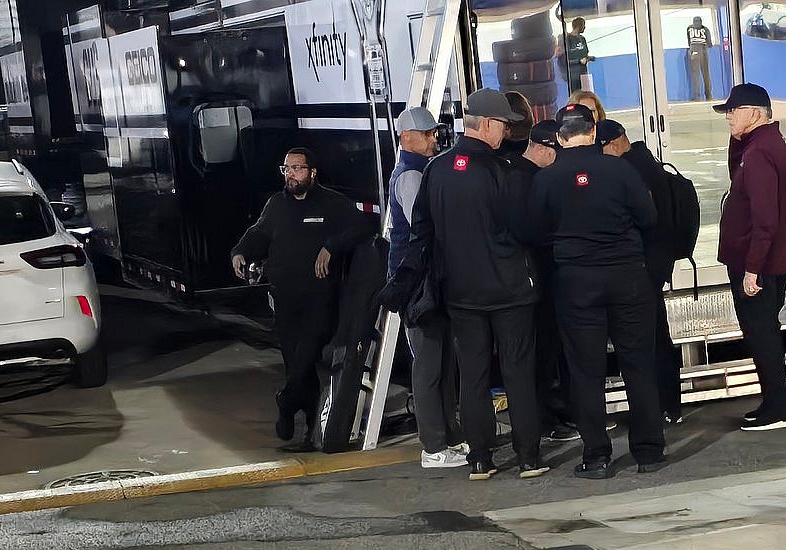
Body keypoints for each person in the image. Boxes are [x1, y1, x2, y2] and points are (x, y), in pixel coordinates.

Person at [388, 88, 551, 481]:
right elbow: (527, 230)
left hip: (461, 294)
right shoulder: (504, 171)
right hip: (510, 291)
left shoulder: (437, 171)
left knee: (473, 377)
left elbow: (421, 232)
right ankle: (528, 457)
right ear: (488, 124)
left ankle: (480, 459)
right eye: (504, 126)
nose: (506, 133)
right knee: (517, 372)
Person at [531, 104, 665, 477]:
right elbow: (649, 218)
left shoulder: (547, 179)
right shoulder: (621, 170)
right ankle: (648, 451)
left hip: (576, 283)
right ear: (593, 132)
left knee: (585, 371)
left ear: (560, 138)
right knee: (638, 363)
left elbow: (533, 230)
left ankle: (596, 456)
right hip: (627, 277)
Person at [231, 147, 373, 450]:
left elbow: (362, 227)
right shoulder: (277, 205)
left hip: (319, 300)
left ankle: (286, 400)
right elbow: (259, 233)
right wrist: (240, 252)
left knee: (306, 356)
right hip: (285, 300)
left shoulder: (332, 203)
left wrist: (332, 246)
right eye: (287, 169)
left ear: (312, 172)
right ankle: (310, 429)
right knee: (296, 364)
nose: (292, 175)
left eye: (297, 168)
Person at [714, 83, 786, 430]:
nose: (728, 118)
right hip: (763, 259)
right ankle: (773, 402)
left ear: (753, 113)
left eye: (733, 111)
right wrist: (738, 140)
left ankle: (780, 407)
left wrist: (752, 269)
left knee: (761, 334)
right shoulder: (763, 144)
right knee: (761, 332)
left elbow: (765, 218)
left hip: (758, 263)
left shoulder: (760, 151)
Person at [387, 107, 467, 470]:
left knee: (442, 363)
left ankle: (449, 437)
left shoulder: (419, 170)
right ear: (406, 138)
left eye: (434, 132)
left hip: (426, 282)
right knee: (429, 365)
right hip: (419, 286)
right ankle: (433, 446)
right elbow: (425, 226)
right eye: (427, 134)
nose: (434, 138)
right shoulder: (410, 176)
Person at [508, 118, 582, 444]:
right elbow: (529, 231)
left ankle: (554, 413)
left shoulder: (524, 175)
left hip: (539, 279)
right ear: (542, 148)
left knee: (548, 351)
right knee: (540, 353)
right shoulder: (524, 180)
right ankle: (545, 420)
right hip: (534, 280)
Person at [610, 120, 686, 423]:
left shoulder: (632, 170)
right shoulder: (647, 163)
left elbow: (645, 217)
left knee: (649, 341)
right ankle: (670, 405)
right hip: (655, 264)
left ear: (615, 143)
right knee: (658, 337)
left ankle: (661, 406)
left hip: (644, 267)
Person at [686, 16, 715, 101]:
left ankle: (696, 97)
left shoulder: (689, 28)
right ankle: (709, 96)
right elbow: (709, 43)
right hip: (703, 51)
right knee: (706, 74)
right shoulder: (705, 29)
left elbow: (689, 42)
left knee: (695, 75)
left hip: (693, 51)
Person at [563, 17, 594, 92]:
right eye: (583, 25)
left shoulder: (582, 39)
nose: (585, 27)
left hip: (584, 74)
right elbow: (565, 60)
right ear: (578, 26)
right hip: (573, 77)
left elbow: (585, 55)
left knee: (586, 94)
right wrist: (578, 61)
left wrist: (589, 58)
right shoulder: (567, 39)